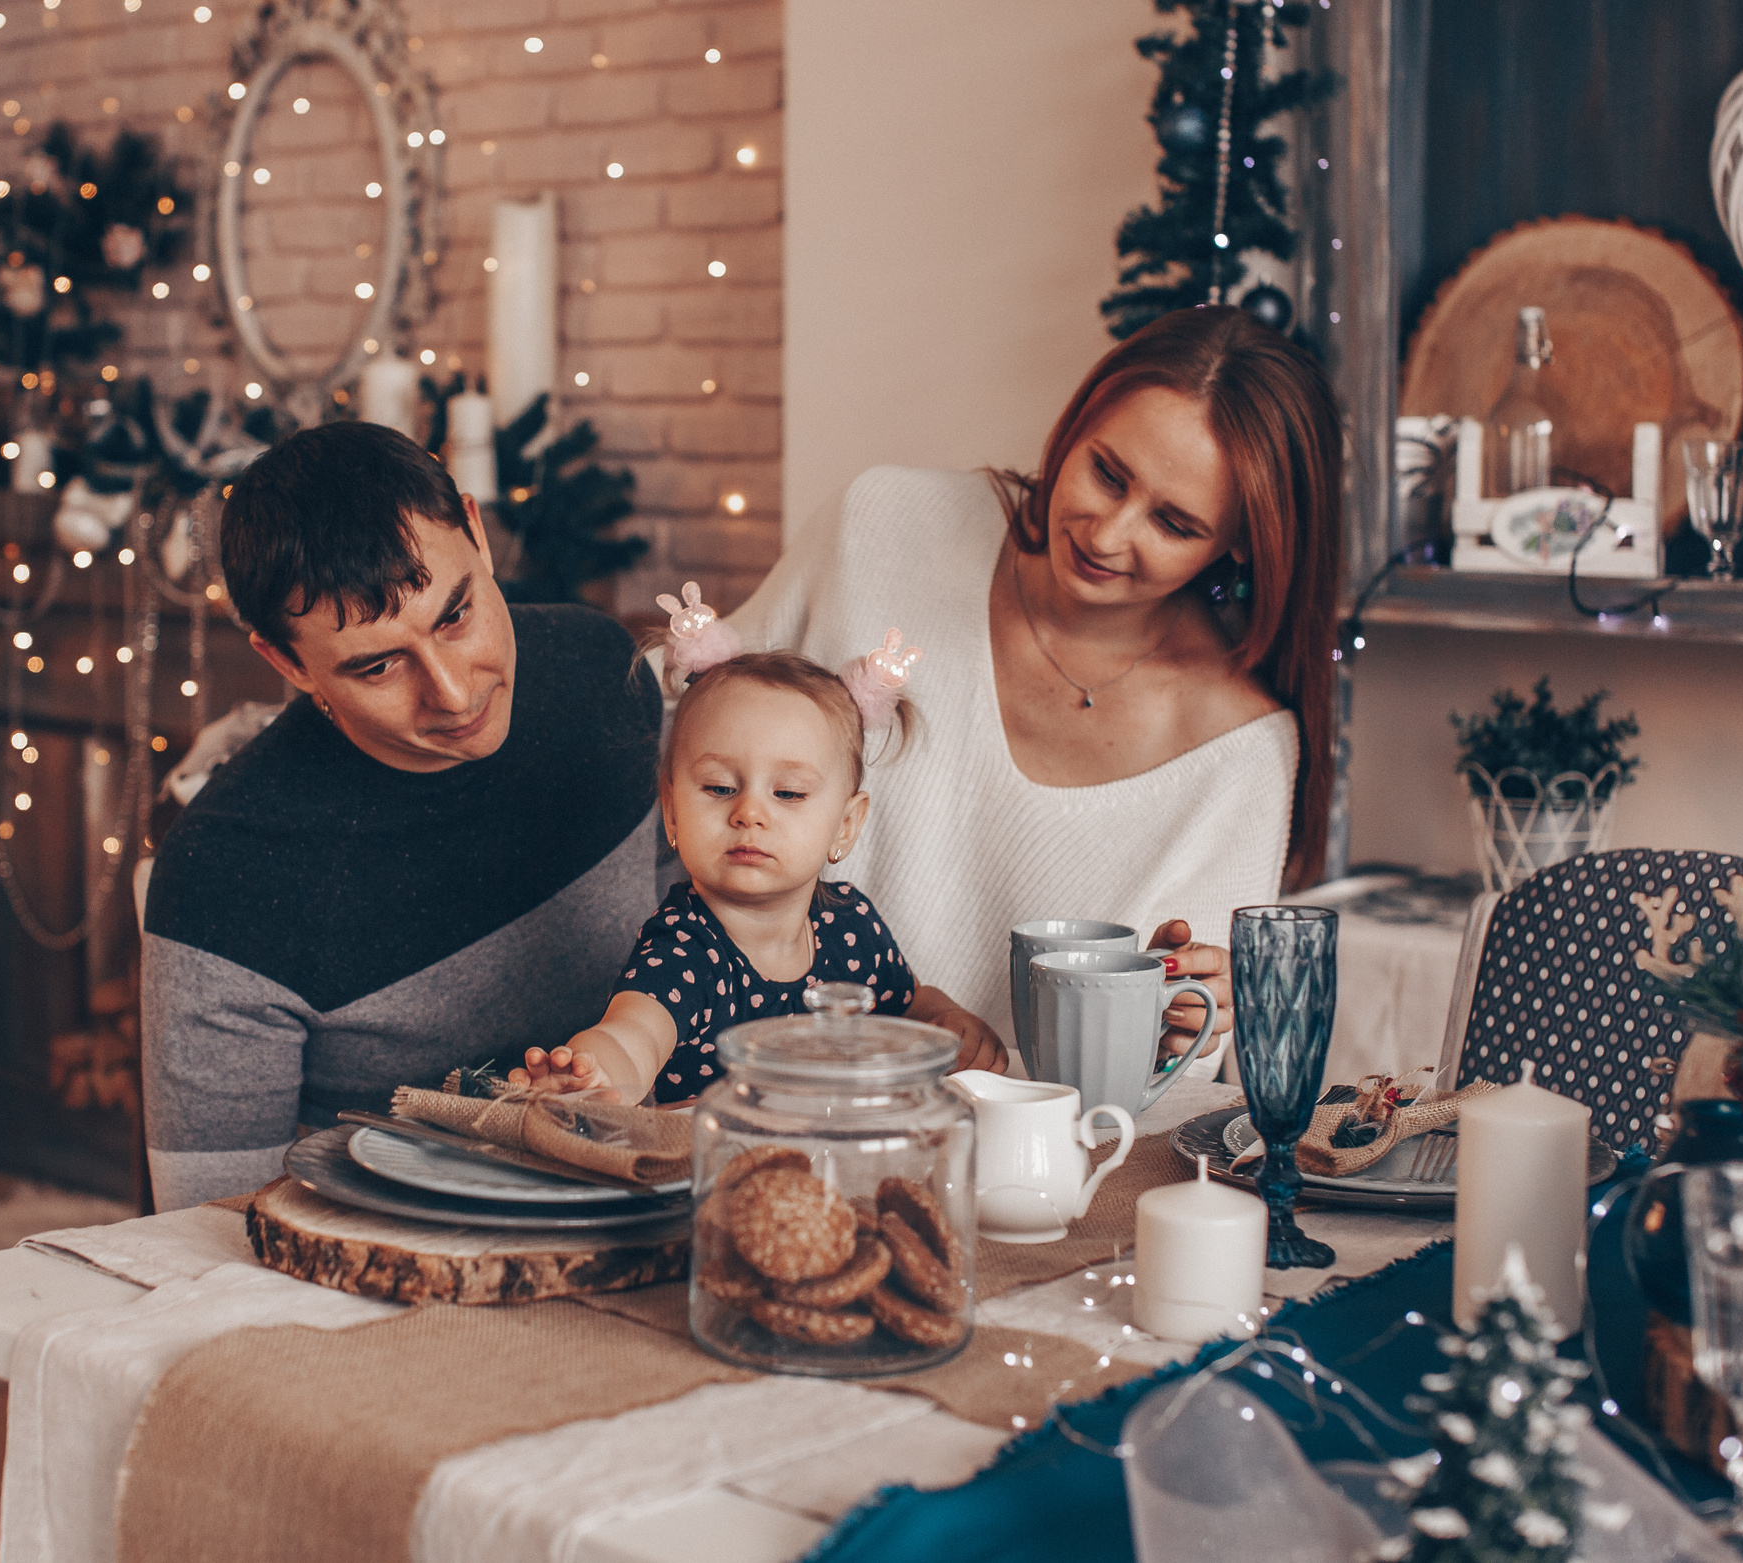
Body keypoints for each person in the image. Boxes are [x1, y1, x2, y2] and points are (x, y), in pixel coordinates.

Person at [728, 305, 1343, 1061]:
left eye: (1174, 524)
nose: (1107, 534)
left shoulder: (1238, 749)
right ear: (1075, 424)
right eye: (1106, 473)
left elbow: (1176, 1067)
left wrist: (1182, 1023)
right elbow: (693, 713)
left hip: (1028, 1128)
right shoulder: (883, 523)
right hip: (771, 1076)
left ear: (1241, 544)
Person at [138, 423, 662, 1209]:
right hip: (382, 1251)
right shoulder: (224, 878)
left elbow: (696, 948)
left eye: (455, 616)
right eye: (379, 665)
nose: (454, 692)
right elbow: (209, 1228)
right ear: (287, 662)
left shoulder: (604, 676)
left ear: (477, 534)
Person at [511, 648, 1006, 1105]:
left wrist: (953, 1021)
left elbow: (912, 1002)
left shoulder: (852, 926)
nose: (749, 812)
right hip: (719, 1164)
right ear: (673, 813)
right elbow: (632, 1036)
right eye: (720, 787)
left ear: (845, 826)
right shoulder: (684, 949)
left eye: (788, 793)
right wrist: (592, 1073)